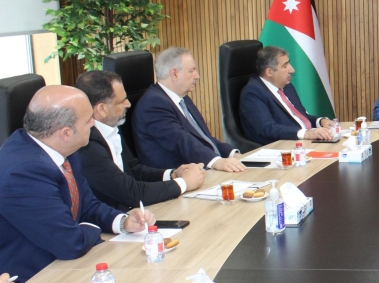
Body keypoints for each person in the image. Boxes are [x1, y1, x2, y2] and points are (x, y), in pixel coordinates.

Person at [0, 86, 154, 281]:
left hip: (69, 264)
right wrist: (90, 228)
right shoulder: (23, 173)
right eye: (88, 120)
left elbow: (86, 204)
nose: (93, 123)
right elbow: (70, 242)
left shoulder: (63, 150)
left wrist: (122, 222)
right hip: (39, 273)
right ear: (65, 133)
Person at [75, 71, 205, 211]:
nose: (128, 104)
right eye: (122, 101)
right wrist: (184, 183)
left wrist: (172, 174)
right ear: (102, 109)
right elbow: (131, 193)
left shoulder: (110, 128)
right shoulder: (88, 145)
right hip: (113, 219)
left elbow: (134, 170)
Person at [133, 47, 246, 172]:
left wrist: (231, 154)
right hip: (178, 177)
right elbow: (181, 141)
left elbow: (203, 138)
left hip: (200, 170)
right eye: (191, 71)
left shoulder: (182, 98)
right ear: (174, 74)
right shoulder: (153, 104)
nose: (197, 76)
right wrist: (215, 161)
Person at [240, 46, 335, 143]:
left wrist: (321, 121)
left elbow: (301, 117)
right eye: (285, 66)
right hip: (279, 146)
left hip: (301, 142)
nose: (292, 70)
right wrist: (306, 134)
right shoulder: (252, 93)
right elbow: (268, 128)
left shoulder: (287, 86)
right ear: (269, 72)